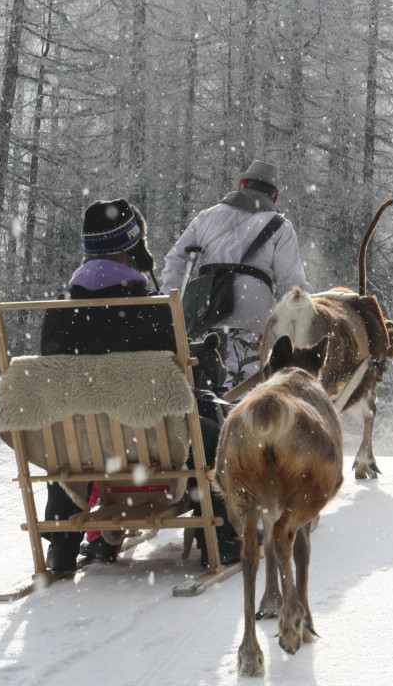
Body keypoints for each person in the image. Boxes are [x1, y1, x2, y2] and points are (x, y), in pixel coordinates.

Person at [37, 198, 239, 573]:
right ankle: (224, 536)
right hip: (155, 445)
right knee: (212, 426)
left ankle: (62, 544)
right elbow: (179, 378)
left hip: (84, 451)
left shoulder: (57, 315)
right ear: (135, 252)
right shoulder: (156, 311)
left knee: (64, 438)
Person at [161, 160, 310, 391]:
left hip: (203, 318)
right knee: (243, 394)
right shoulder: (280, 227)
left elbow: (175, 261)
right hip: (253, 321)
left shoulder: (206, 217)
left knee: (201, 388)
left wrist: (173, 307)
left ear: (242, 185)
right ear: (275, 197)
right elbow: (292, 286)